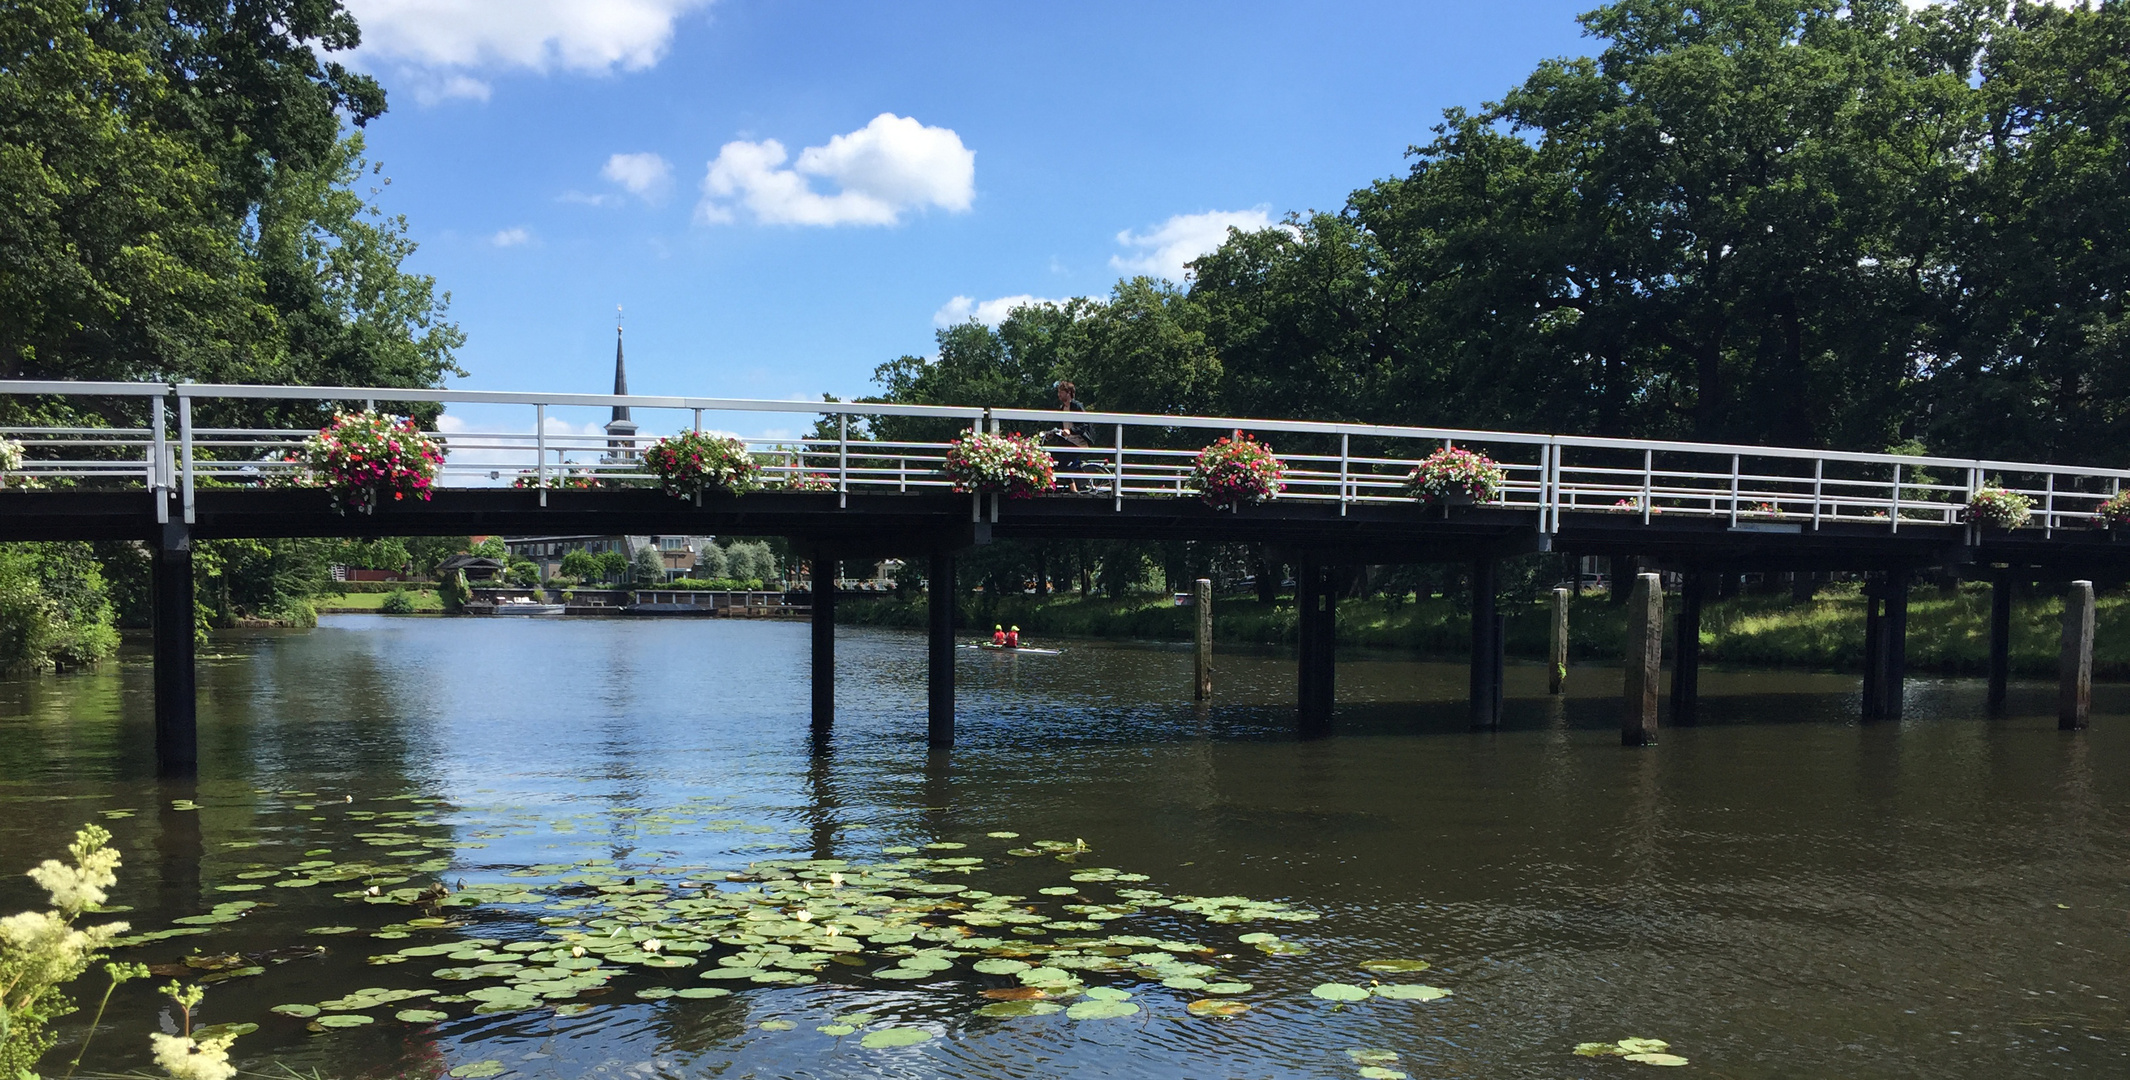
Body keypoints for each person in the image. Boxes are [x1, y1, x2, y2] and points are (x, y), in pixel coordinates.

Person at [1047, 381, 1093, 493]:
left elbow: (1084, 425)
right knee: (1051, 457)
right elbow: (1060, 427)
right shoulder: (1062, 408)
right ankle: (1052, 484)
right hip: (1069, 441)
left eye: (1061, 392)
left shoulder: (1077, 406)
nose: (1059, 395)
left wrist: (1070, 431)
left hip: (1079, 442)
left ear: (1068, 393)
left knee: (1064, 464)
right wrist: (1051, 434)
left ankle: (1073, 490)